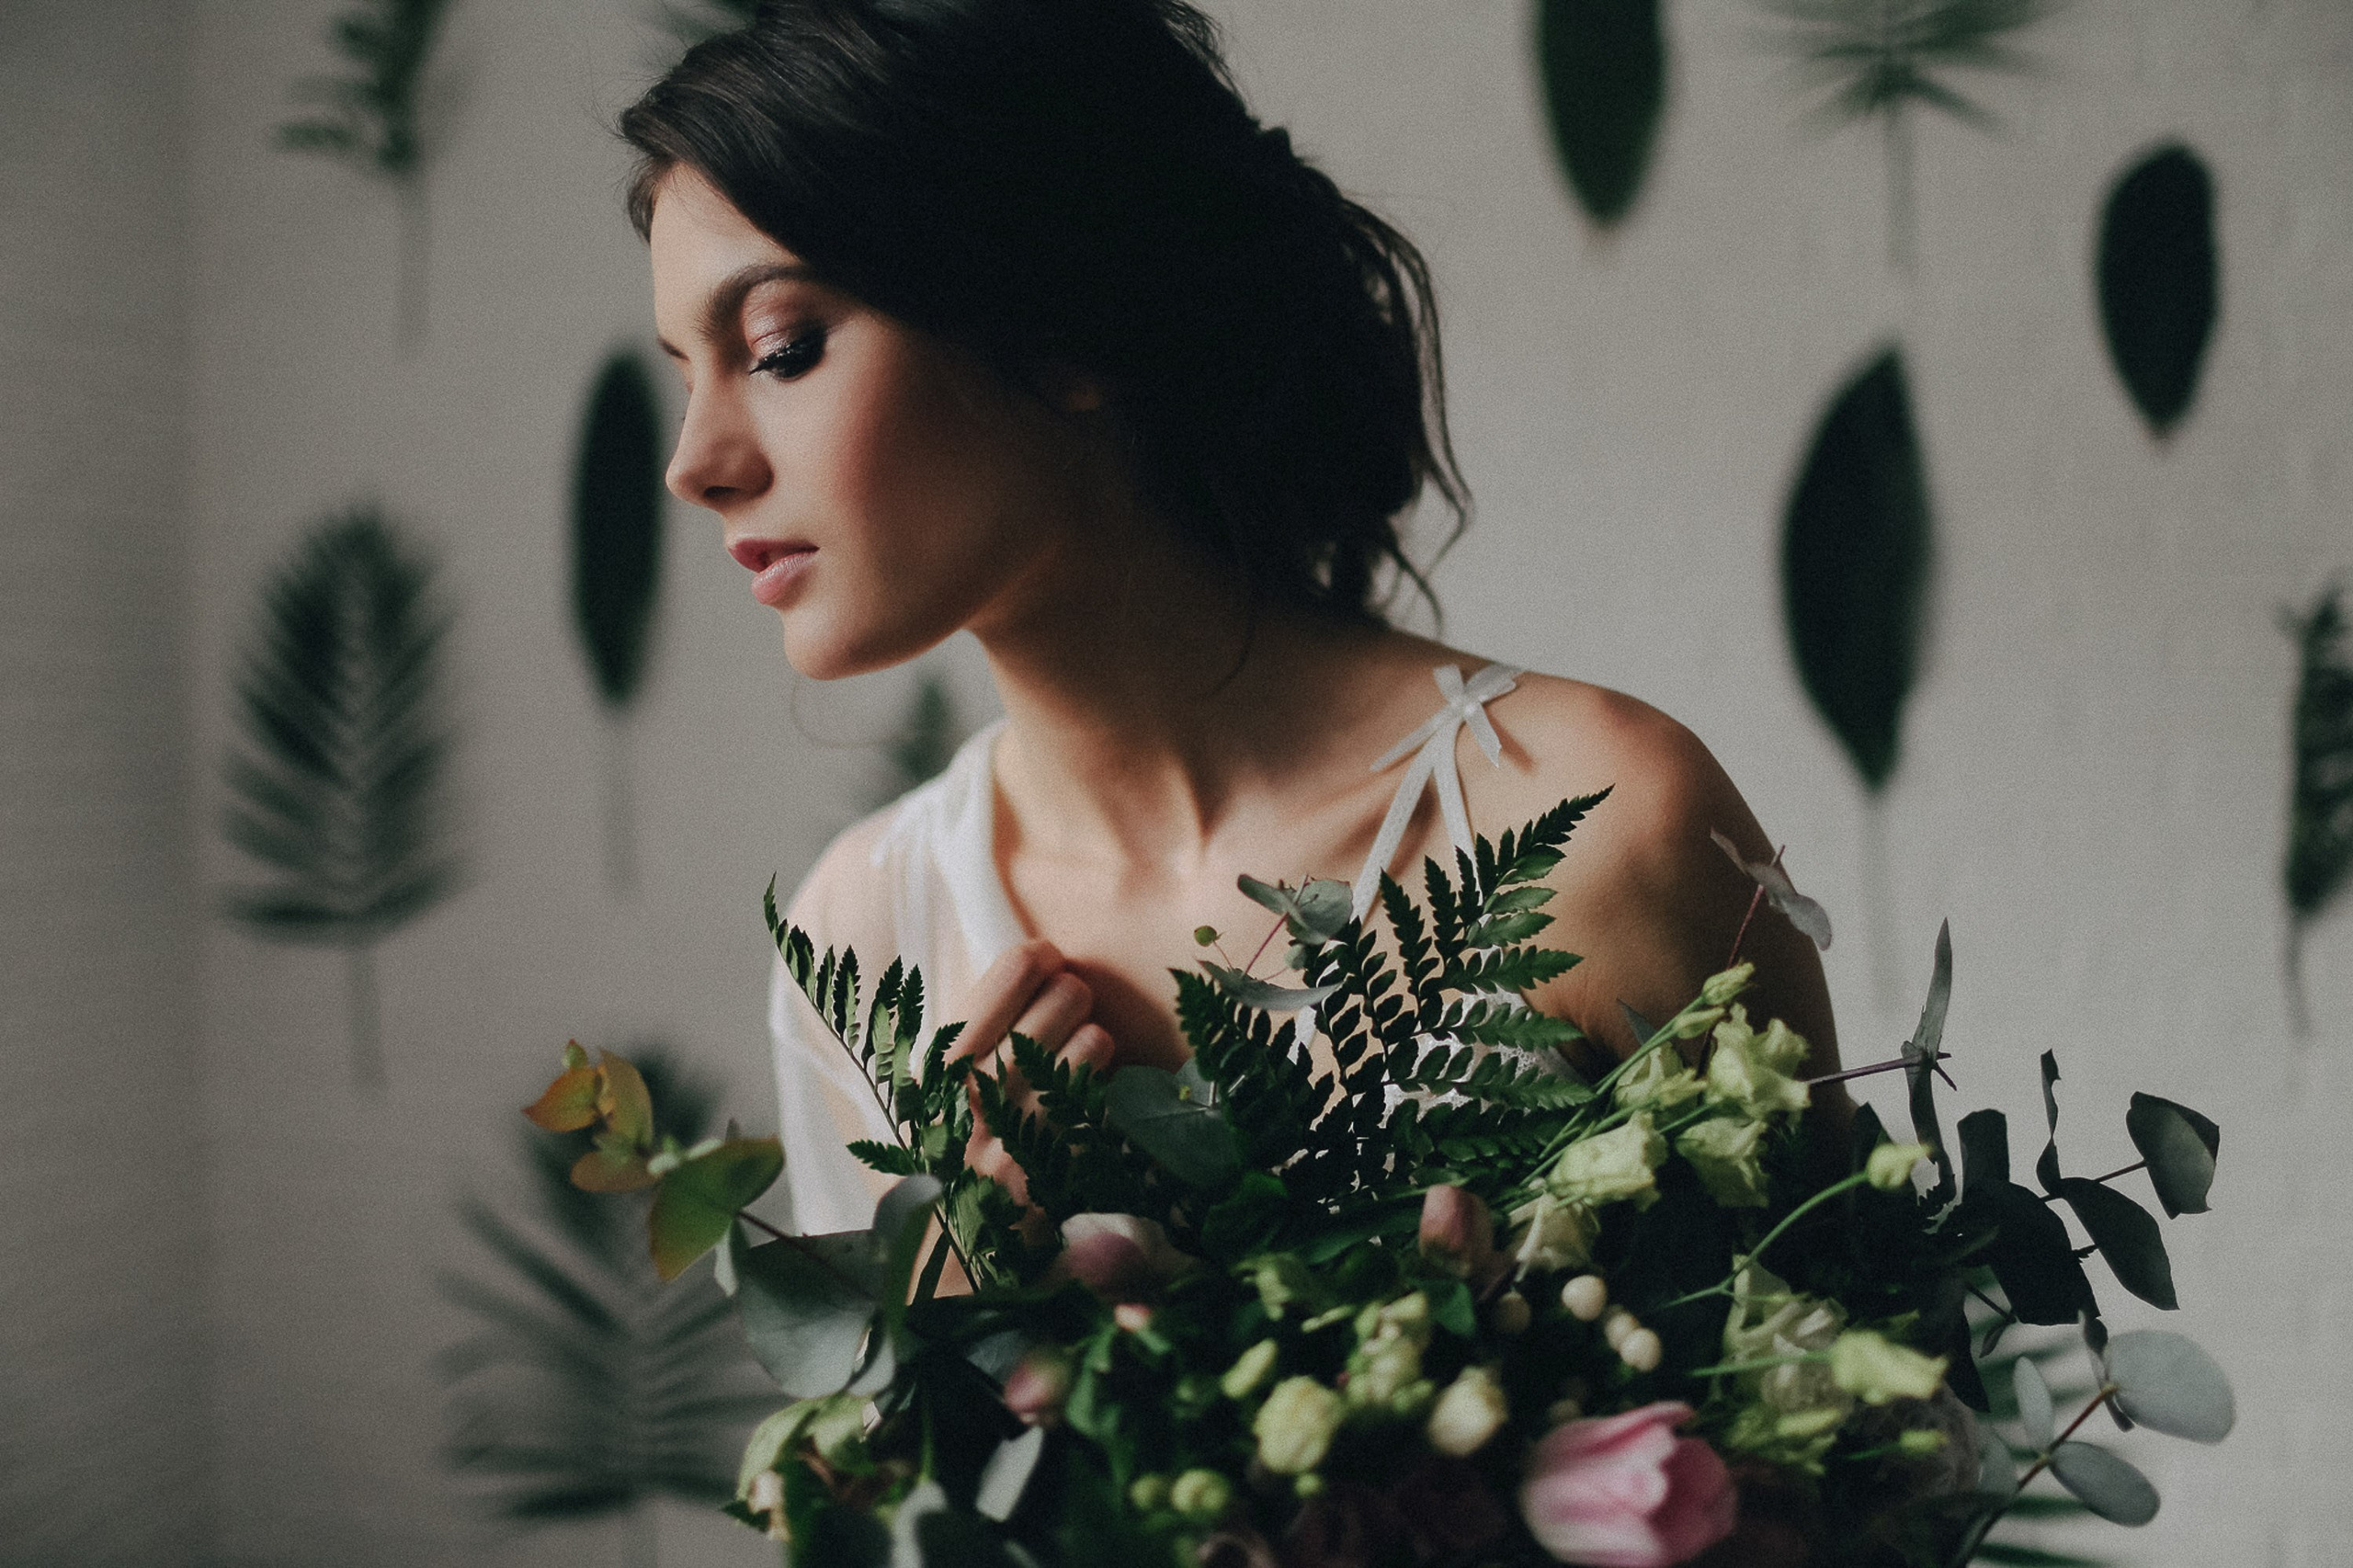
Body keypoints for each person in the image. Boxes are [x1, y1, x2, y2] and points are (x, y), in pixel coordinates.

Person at [621, 0, 1843, 1239]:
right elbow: (857, 1433)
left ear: (1066, 322)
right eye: (684, 374)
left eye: (780, 348)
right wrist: (945, 1303)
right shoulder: (865, 936)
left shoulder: (1605, 828)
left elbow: (1883, 1411)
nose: (695, 461)